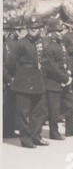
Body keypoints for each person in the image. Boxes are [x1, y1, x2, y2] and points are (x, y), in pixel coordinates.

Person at [9, 16, 48, 148]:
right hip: (24, 81)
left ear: (40, 29)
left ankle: (36, 136)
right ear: (27, 29)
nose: (33, 30)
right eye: (31, 28)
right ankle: (25, 139)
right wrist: (17, 76)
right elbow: (10, 62)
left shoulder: (42, 42)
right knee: (23, 112)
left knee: (39, 110)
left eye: (36, 28)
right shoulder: (21, 43)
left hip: (38, 80)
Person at [42, 18, 73, 140]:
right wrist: (64, 78)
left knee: (72, 104)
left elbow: (66, 59)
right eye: (58, 31)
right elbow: (51, 67)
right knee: (54, 110)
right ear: (51, 32)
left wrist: (69, 70)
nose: (61, 33)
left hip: (64, 79)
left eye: (61, 31)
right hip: (53, 81)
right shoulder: (48, 46)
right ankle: (54, 133)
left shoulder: (61, 44)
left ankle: (72, 130)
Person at [3, 17, 21, 139]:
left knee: (10, 106)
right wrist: (9, 79)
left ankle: (9, 130)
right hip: (6, 79)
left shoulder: (13, 43)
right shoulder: (7, 43)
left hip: (11, 78)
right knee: (5, 106)